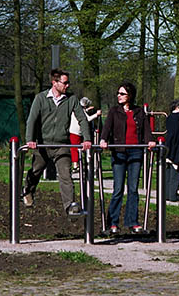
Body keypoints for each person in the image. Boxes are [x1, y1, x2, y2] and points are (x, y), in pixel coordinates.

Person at [22, 68, 92, 216]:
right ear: (54, 83)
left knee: (65, 174)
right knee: (36, 171)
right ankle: (27, 191)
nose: (67, 86)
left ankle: (70, 206)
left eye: (68, 83)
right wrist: (30, 140)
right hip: (43, 144)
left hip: (62, 144)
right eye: (65, 83)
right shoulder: (41, 98)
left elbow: (82, 119)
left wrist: (87, 139)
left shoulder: (71, 99)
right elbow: (32, 120)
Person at [100, 81, 155, 235]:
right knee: (118, 188)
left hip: (135, 152)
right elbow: (107, 128)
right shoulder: (114, 111)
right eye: (118, 93)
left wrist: (150, 140)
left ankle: (132, 222)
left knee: (133, 189)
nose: (119, 96)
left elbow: (146, 130)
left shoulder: (139, 112)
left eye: (122, 93)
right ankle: (112, 223)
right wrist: (103, 140)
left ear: (130, 95)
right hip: (119, 151)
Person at [69, 97, 101, 172]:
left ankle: (77, 163)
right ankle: (75, 164)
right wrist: (96, 114)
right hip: (75, 132)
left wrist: (87, 110)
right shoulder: (79, 111)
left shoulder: (78, 110)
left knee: (77, 148)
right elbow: (87, 119)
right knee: (75, 149)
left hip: (78, 133)